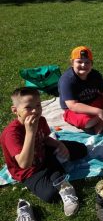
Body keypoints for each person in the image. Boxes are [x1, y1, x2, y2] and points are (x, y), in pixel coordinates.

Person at [0, 87, 87, 216]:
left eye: (38, 105)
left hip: (43, 153)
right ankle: (60, 178)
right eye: (28, 108)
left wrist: (58, 144)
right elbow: (24, 164)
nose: (35, 111)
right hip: (29, 171)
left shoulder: (41, 120)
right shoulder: (11, 134)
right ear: (15, 110)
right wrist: (30, 132)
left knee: (81, 149)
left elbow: (45, 138)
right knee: (50, 195)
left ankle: (58, 173)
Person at [58, 46, 103, 134]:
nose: (83, 65)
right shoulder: (67, 80)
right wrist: (99, 111)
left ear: (91, 64)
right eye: (79, 62)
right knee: (87, 123)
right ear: (72, 63)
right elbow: (73, 106)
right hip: (77, 109)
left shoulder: (95, 75)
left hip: (94, 101)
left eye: (87, 62)